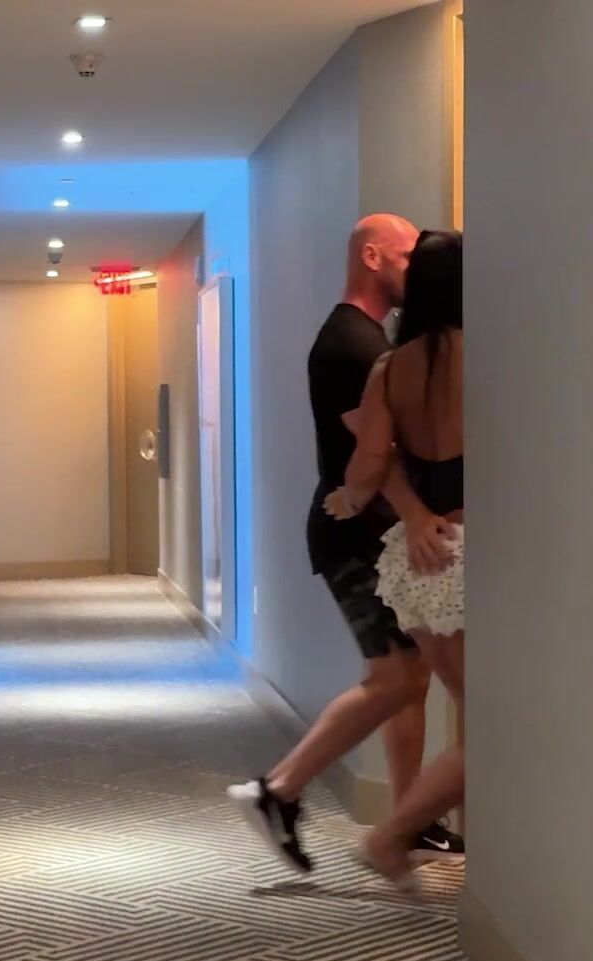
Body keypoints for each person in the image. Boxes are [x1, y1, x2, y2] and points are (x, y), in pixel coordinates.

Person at [227, 215, 462, 873]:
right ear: (373, 256)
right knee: (398, 677)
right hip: (356, 535)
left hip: (375, 531)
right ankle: (284, 791)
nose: (414, 269)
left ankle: (405, 818)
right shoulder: (353, 344)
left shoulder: (376, 343)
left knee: (407, 678)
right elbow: (374, 455)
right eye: (406, 256)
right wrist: (415, 514)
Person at [323, 230, 468, 887]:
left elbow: (370, 464)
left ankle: (412, 838)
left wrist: (353, 499)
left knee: (472, 712)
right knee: (493, 724)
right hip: (469, 551)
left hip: (417, 562)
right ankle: (391, 837)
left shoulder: (390, 367)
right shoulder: (492, 355)